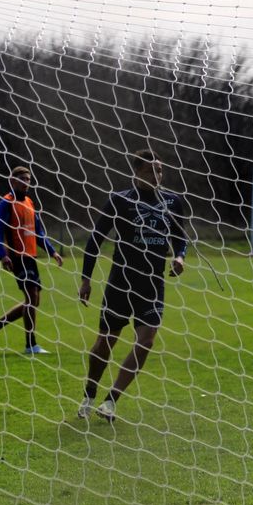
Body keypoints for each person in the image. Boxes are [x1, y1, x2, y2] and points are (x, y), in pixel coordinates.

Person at [76, 149, 189, 423]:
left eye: (160, 170)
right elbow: (95, 240)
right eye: (152, 170)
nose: (157, 175)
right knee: (106, 342)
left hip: (152, 284)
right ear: (137, 172)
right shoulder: (120, 201)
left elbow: (180, 237)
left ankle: (111, 401)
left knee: (146, 341)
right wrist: (86, 279)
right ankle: (90, 392)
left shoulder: (173, 202)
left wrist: (179, 256)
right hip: (121, 282)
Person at [0, 166, 63, 355]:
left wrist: (52, 252)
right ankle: (30, 345)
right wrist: (3, 255)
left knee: (33, 301)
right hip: (16, 257)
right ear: (12, 181)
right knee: (32, 298)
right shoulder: (6, 203)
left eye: (28, 179)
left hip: (31, 257)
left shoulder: (29, 202)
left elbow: (38, 232)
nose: (26, 182)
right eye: (22, 179)